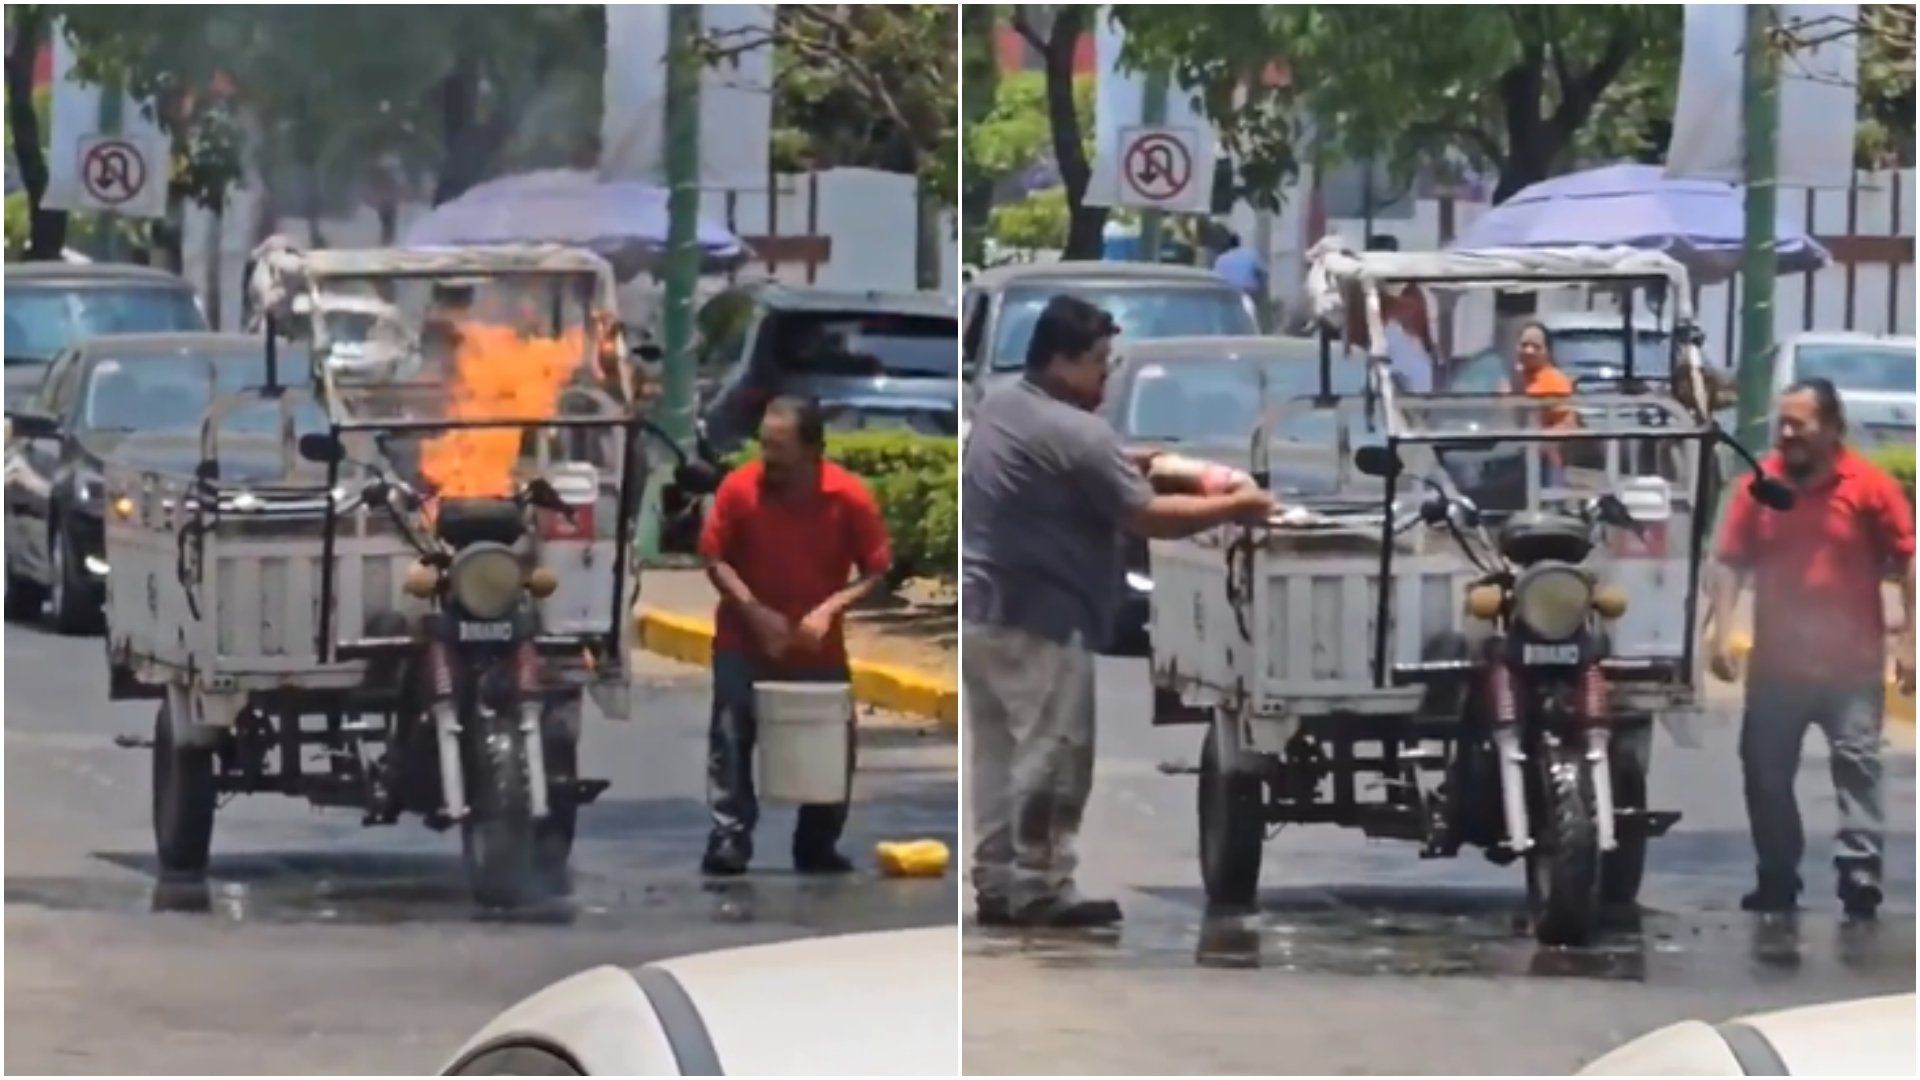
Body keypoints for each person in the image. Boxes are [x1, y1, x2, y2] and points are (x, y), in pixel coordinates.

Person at [962, 295, 1275, 928]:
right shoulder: (1078, 432)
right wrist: (1239, 507)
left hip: (985, 612)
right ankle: (1042, 885)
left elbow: (1072, 470)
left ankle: (997, 881)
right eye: (1100, 363)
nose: (1107, 376)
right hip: (1043, 619)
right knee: (1054, 756)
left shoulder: (1003, 408)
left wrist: (1136, 462)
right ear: (1061, 361)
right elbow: (1147, 516)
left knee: (997, 757)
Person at [1707, 378, 1915, 918]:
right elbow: (1729, 559)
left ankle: (1860, 874)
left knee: (1858, 766)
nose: (1788, 432)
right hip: (1778, 667)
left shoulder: (1868, 487)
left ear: (1833, 429)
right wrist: (1721, 629)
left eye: (1801, 423)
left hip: (1852, 666)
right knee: (1765, 773)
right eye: (1783, 422)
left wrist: (1911, 642)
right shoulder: (1762, 484)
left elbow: (1910, 561)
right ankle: (1776, 876)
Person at [698, 396, 892, 876]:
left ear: (813, 451)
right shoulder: (740, 489)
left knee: (833, 746)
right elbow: (714, 557)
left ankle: (817, 843)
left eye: (781, 448)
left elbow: (877, 569)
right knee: (731, 737)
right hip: (745, 639)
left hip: (814, 646)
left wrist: (828, 611)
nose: (770, 459)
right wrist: (754, 612)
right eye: (765, 445)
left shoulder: (848, 497)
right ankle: (729, 839)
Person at [1212, 232, 1266, 302]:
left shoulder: (1221, 259)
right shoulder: (1251, 254)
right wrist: (1261, 288)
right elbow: (1263, 273)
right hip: (1249, 292)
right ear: (1239, 243)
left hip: (1228, 293)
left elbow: (1215, 278)